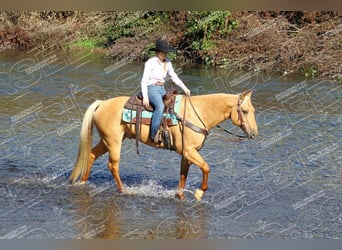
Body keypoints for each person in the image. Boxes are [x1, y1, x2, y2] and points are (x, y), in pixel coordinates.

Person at [141, 39, 191, 143]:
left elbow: (174, 77)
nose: (165, 54)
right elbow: (144, 80)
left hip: (161, 88)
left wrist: (185, 88)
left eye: (166, 52)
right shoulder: (150, 62)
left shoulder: (168, 62)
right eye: (163, 52)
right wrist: (145, 96)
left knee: (174, 101)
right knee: (160, 106)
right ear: (158, 52)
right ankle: (153, 134)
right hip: (152, 88)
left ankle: (170, 129)